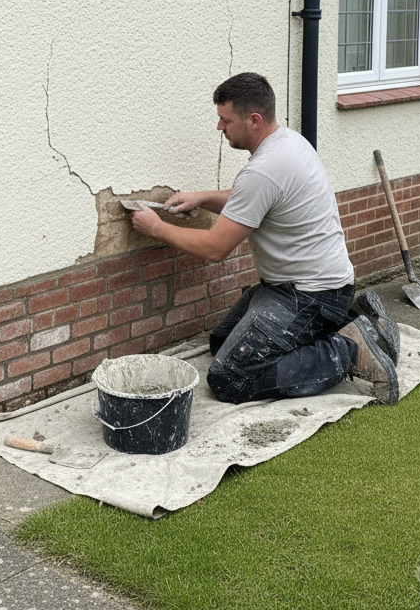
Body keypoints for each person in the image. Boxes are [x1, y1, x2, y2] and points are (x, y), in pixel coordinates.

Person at [131, 72, 400, 405]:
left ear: (254, 120)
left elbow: (215, 248)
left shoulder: (264, 169)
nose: (219, 127)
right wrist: (202, 198)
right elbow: (255, 199)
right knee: (222, 342)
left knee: (229, 377)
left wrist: (155, 228)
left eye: (226, 120)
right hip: (314, 286)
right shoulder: (289, 142)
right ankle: (356, 321)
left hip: (309, 296)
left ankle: (349, 350)